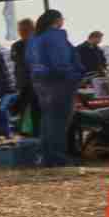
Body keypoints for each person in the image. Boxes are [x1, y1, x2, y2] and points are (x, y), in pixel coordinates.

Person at [24, 9, 85, 167]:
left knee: (48, 120)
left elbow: (29, 60)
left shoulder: (34, 38)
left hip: (40, 82)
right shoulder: (55, 36)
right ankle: (57, 158)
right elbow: (60, 61)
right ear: (57, 20)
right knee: (59, 122)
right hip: (59, 82)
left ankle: (46, 156)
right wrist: (75, 76)